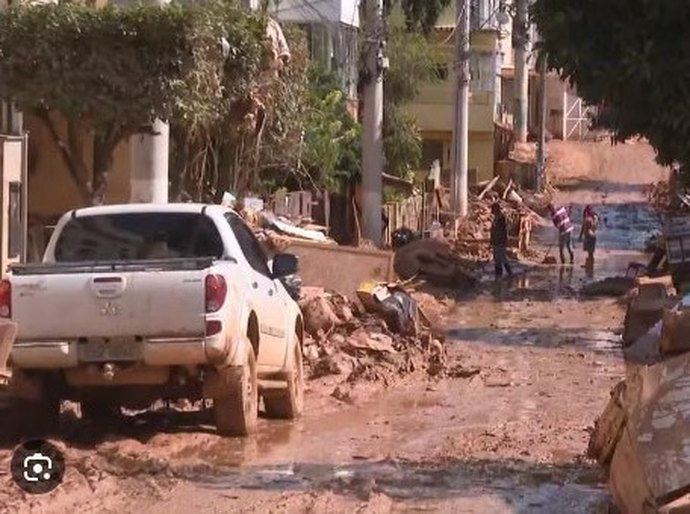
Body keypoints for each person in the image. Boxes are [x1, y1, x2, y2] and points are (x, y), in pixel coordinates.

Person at [490, 202, 513, 278]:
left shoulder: (501, 218)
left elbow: (503, 231)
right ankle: (498, 275)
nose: (492, 211)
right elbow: (493, 230)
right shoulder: (496, 218)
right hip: (496, 241)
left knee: (502, 258)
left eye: (493, 209)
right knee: (497, 259)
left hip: (500, 241)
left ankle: (508, 273)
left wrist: (501, 240)